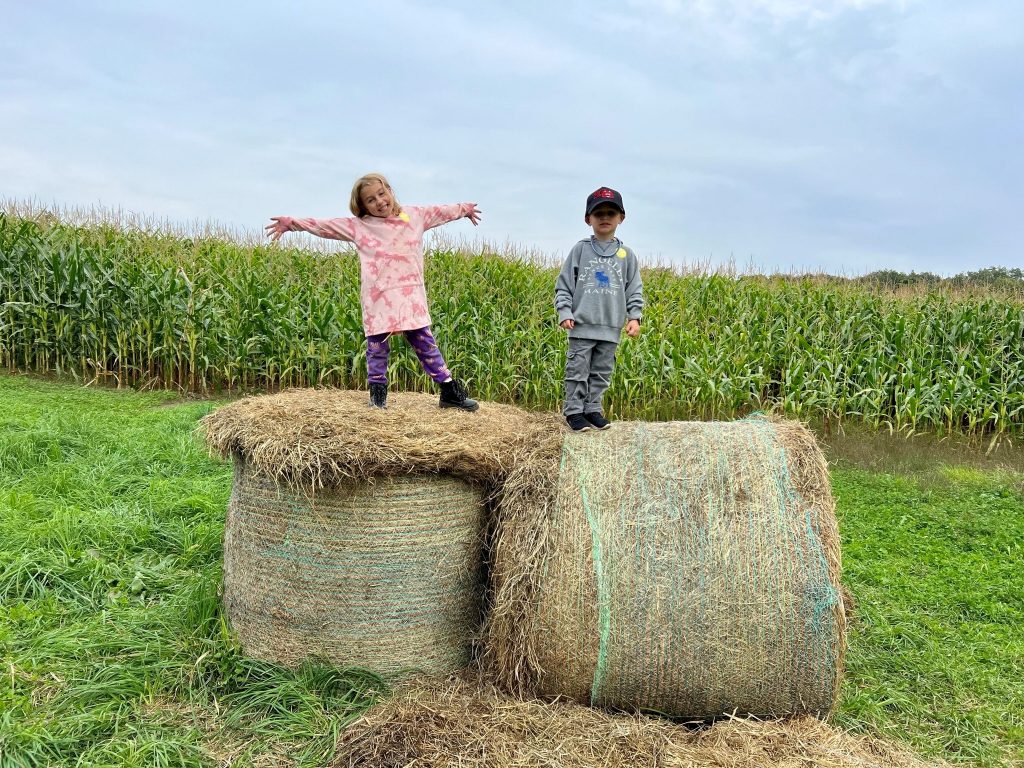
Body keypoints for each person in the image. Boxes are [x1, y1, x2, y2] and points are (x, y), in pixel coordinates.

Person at [265, 173, 480, 411]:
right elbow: (324, 226)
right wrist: (292, 223)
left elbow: (441, 212)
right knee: (377, 349)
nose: (379, 202)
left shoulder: (415, 216)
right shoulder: (360, 226)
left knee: (426, 345)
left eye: (381, 193)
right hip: (379, 300)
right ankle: (378, 399)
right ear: (362, 206)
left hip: (410, 298)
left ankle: (449, 392)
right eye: (370, 200)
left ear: (389, 190)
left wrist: (465, 209)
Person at [554, 186, 644, 431]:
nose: (605, 217)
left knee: (602, 372)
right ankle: (574, 411)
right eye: (598, 213)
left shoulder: (627, 255)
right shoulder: (581, 250)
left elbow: (633, 288)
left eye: (611, 213)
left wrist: (634, 317)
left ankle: (593, 409)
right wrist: (565, 312)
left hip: (611, 328)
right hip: (582, 326)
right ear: (588, 219)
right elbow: (563, 285)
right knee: (577, 371)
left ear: (621, 218)